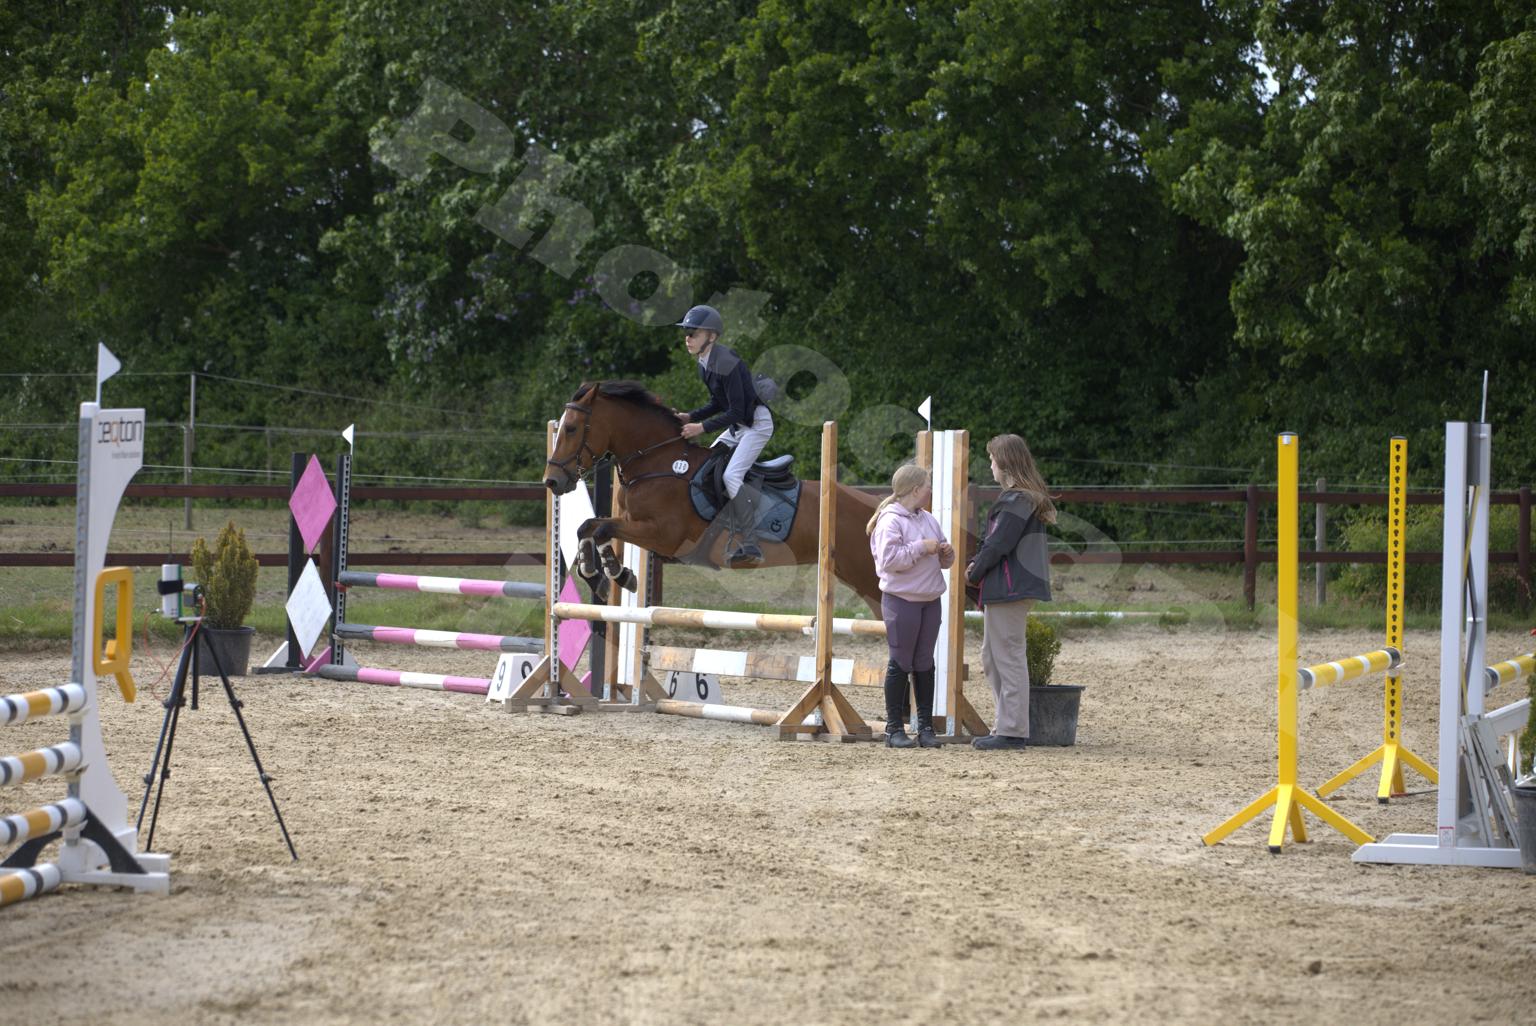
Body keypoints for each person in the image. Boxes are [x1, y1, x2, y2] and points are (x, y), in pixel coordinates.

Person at [966, 434, 1055, 751]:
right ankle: (1005, 724)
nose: (990, 465)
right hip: (1006, 586)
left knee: (1007, 657)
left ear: (1003, 462)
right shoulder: (1017, 498)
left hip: (1010, 587)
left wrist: (975, 571)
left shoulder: (1018, 500)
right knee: (993, 657)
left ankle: (1013, 730)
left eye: (992, 459)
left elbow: (998, 544)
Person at [675, 304, 773, 567]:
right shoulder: (704, 364)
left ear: (712, 336)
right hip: (738, 426)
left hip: (756, 424)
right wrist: (690, 416)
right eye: (686, 333)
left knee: (731, 475)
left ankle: (752, 542)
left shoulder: (726, 362)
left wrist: (702, 428)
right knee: (707, 464)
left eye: (693, 333)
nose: (687, 338)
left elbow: (737, 410)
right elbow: (718, 403)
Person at [867, 463, 955, 748]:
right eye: (928, 486)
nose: (930, 490)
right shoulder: (890, 521)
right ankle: (894, 729)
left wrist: (946, 554)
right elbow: (889, 561)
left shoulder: (928, 518)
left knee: (925, 662)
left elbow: (943, 558)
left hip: (930, 600)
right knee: (901, 662)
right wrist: (921, 548)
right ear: (916, 490)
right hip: (901, 600)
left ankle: (926, 728)